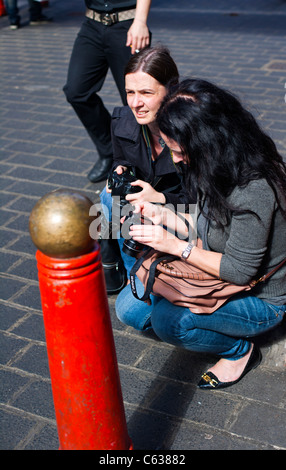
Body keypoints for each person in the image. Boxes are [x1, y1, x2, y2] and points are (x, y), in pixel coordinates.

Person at [115, 78, 286, 390]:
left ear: (208, 141)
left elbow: (239, 271)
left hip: (259, 296)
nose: (176, 159)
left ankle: (238, 351)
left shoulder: (254, 187)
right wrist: (162, 213)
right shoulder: (213, 163)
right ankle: (200, 323)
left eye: (179, 151)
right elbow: (209, 224)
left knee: (169, 322)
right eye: (170, 148)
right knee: (129, 310)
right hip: (214, 266)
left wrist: (175, 246)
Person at [99, 45, 192, 283]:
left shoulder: (193, 131)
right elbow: (120, 160)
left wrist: (159, 199)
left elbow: (204, 203)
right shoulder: (122, 121)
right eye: (130, 92)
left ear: (172, 89)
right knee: (110, 195)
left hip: (185, 216)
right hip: (141, 211)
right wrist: (119, 172)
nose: (136, 103)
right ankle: (133, 271)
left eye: (146, 93)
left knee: (129, 312)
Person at [63, 0, 152, 183]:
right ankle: (109, 151)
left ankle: (146, 166)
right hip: (92, 25)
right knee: (76, 91)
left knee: (136, 101)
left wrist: (140, 21)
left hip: (128, 24)